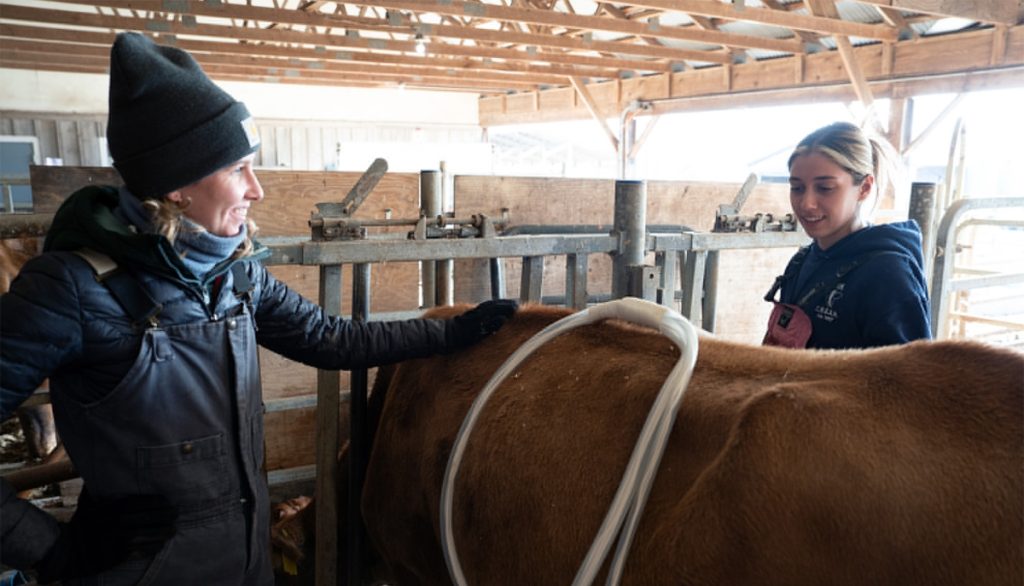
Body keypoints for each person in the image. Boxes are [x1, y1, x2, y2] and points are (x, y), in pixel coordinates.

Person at [0, 32, 517, 585]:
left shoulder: (236, 275)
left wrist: (449, 334)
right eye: (237, 169)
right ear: (176, 185)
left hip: (244, 564)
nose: (258, 190)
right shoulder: (72, 288)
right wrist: (52, 549)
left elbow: (332, 339)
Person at [763, 121, 931, 349]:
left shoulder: (888, 275)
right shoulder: (801, 261)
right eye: (797, 188)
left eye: (825, 188)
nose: (806, 203)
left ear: (864, 188)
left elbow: (908, 376)